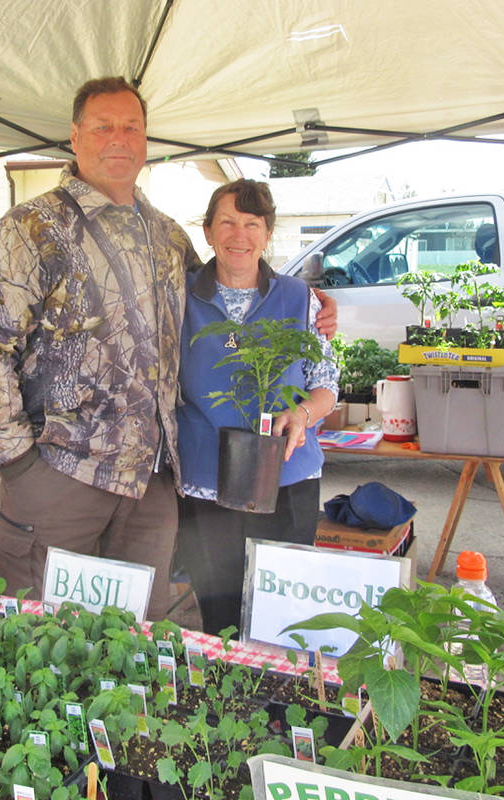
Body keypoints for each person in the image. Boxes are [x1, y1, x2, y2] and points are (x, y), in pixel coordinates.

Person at [0, 78, 336, 620]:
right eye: (103, 126)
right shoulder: (28, 230)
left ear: (146, 138)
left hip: (150, 489)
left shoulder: (165, 236)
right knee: (37, 638)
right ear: (74, 135)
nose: (118, 138)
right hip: (60, 476)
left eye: (131, 126)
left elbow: (229, 299)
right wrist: (17, 464)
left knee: (134, 645)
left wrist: (313, 310)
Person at [176, 179, 340, 637]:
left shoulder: (298, 298)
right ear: (208, 232)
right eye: (227, 222)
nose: (239, 235)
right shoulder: (178, 299)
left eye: (252, 224)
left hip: (287, 476)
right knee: (220, 615)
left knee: (284, 616)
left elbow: (326, 383)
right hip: (208, 479)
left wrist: (302, 415)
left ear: (268, 234)